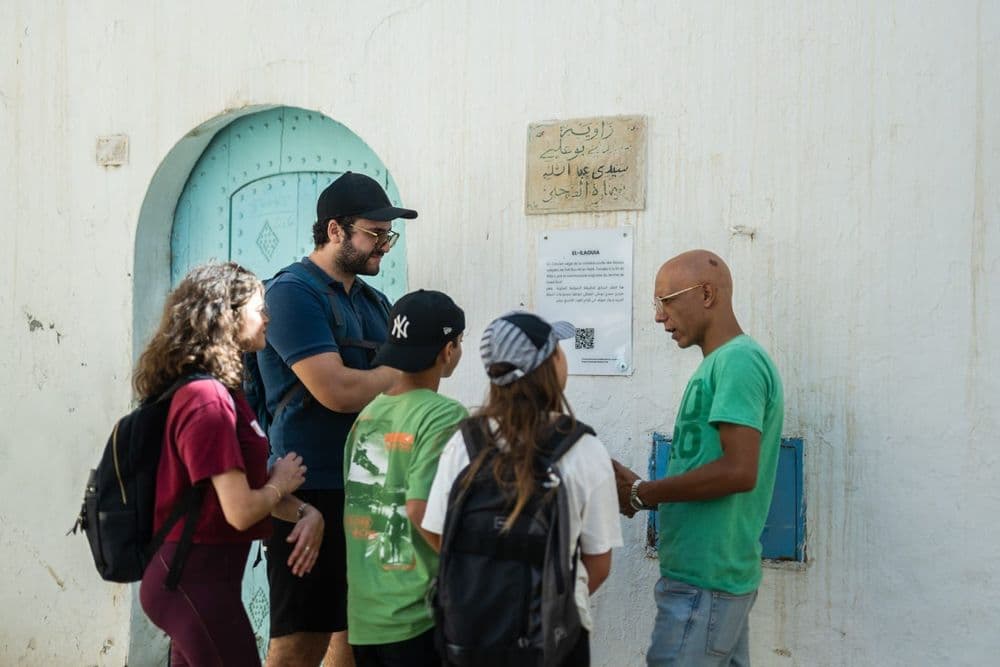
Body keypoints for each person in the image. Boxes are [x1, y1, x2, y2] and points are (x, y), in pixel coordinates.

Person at [256, 172, 418, 667]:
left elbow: (403, 394)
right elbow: (337, 391)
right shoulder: (290, 294)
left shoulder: (374, 302)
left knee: (358, 636)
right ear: (334, 231)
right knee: (299, 642)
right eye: (374, 233)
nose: (384, 245)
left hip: (376, 483)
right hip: (311, 489)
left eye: (388, 235)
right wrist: (394, 373)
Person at [137, 262, 325, 667]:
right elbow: (240, 510)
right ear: (229, 316)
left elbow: (238, 492)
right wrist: (280, 483)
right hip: (191, 580)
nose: (268, 317)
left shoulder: (226, 393)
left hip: (205, 581)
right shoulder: (207, 400)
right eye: (260, 308)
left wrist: (305, 511)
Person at [422, 311, 624, 666]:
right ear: (549, 365)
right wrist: (548, 598)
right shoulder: (583, 449)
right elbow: (599, 563)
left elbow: (437, 531)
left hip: (472, 640)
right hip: (555, 642)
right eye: (557, 350)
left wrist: (486, 585)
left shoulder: (464, 443)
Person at [612, 250, 784, 667]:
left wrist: (644, 493)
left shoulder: (738, 361)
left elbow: (739, 471)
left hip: (706, 582)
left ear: (707, 294)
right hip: (708, 580)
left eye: (666, 301)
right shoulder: (721, 364)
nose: (659, 317)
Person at [342, 290, 468, 666]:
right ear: (448, 350)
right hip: (417, 616)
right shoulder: (445, 415)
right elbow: (419, 508)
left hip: (365, 616)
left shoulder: (367, 415)